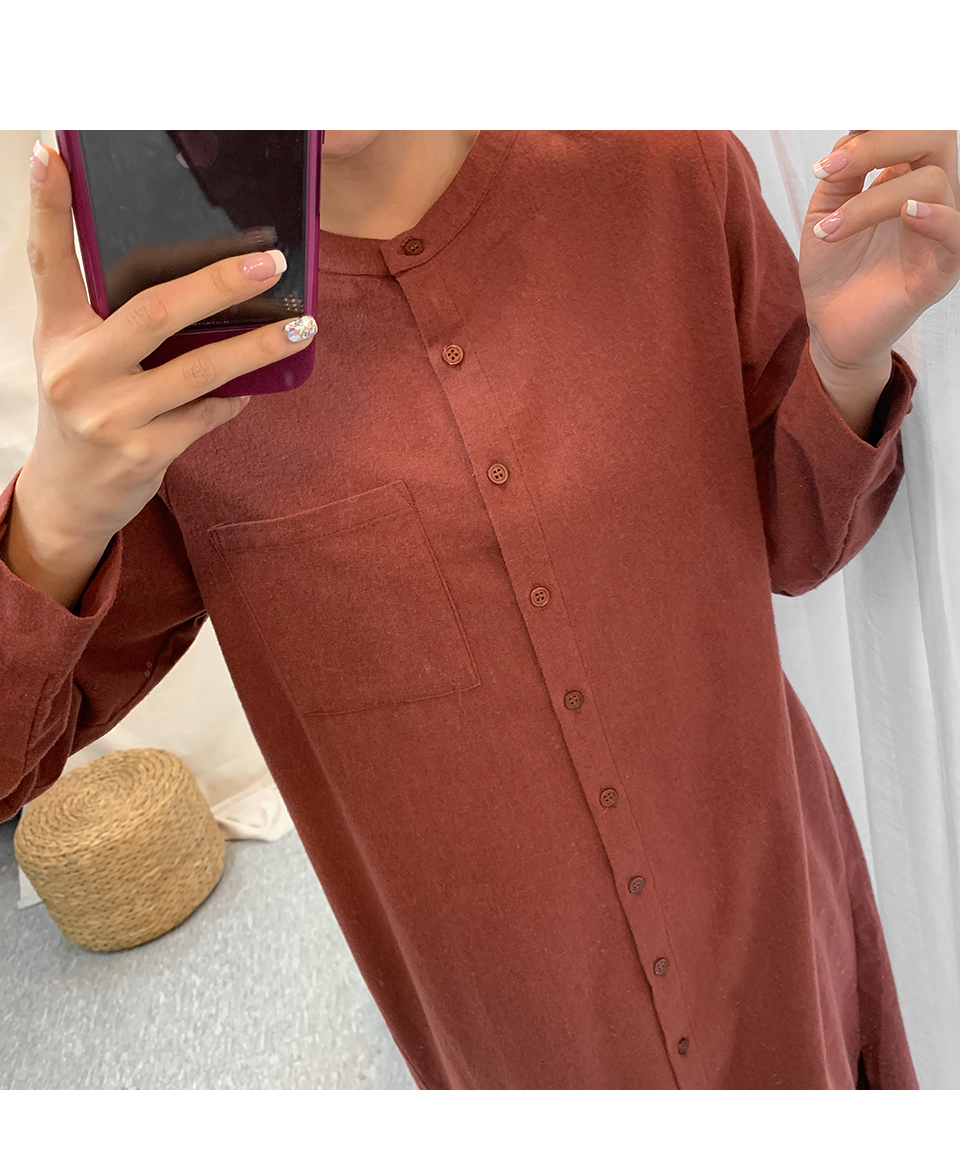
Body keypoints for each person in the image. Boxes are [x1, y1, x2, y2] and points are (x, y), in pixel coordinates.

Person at [2, 130, 959, 1090]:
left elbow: (796, 542)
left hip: (772, 931)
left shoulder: (664, 171)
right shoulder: (175, 354)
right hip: (521, 1039)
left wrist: (845, 366)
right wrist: (55, 515)